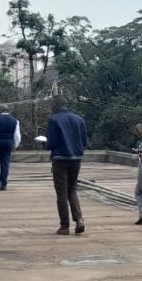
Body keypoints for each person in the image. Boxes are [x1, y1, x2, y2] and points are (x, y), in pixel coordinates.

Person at [46, 96, 87, 235]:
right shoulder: (79, 119)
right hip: (76, 159)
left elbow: (51, 143)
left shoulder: (54, 119)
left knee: (61, 192)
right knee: (72, 189)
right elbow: (84, 141)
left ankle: (64, 226)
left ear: (55, 106)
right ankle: (79, 219)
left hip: (60, 159)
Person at [0, 105, 21, 191]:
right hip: (8, 143)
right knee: (5, 163)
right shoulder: (15, 121)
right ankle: (4, 183)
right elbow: (17, 135)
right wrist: (16, 145)